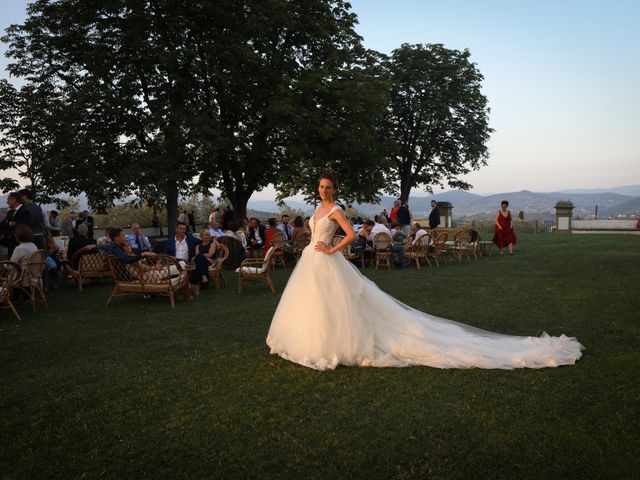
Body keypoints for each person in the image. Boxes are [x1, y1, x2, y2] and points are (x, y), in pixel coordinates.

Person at [266, 171, 584, 371]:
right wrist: (314, 243)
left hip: (326, 259)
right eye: (321, 187)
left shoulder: (335, 209)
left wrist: (332, 248)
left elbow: (349, 235)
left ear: (335, 190)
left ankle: (335, 342)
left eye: (328, 187)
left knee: (339, 304)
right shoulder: (317, 209)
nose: (324, 191)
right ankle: (316, 339)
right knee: (316, 305)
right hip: (312, 261)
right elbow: (317, 230)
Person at [0, 192, 32, 257]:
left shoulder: (24, 211)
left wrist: (10, 223)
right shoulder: (10, 212)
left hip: (20, 243)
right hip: (11, 243)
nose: (7, 202)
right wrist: (11, 223)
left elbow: (23, 227)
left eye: (8, 200)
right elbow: (3, 224)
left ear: (13, 199)